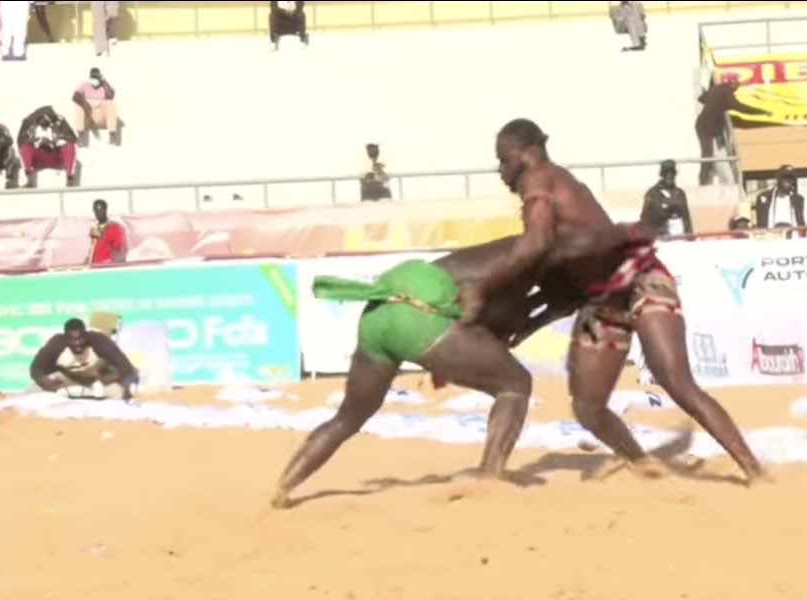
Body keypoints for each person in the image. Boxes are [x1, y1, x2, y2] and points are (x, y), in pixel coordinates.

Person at [270, 227, 668, 509]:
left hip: (383, 308)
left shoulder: (540, 267)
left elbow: (518, 325)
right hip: (424, 311)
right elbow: (513, 319)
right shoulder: (540, 254)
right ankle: (489, 475)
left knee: (347, 418)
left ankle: (283, 488)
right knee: (516, 385)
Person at [462, 118, 764, 484]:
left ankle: (754, 471)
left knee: (675, 380)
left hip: (639, 281)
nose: (501, 171)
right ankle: (645, 465)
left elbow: (537, 244)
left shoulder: (538, 177)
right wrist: (528, 324)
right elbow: (566, 286)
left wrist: (483, 287)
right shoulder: (551, 185)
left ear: (530, 153)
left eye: (505, 160)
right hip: (601, 299)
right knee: (588, 406)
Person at [30, 318, 137, 400]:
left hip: (99, 377)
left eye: (80, 339)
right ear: (65, 338)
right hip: (69, 377)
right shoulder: (56, 344)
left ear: (86, 335)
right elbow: (35, 368)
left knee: (118, 396)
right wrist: (44, 381)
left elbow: (126, 366)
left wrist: (112, 377)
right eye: (72, 340)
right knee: (34, 397)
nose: (77, 344)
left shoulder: (99, 341)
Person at [18, 106, 79, 187]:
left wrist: (56, 140)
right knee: (25, 148)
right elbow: (21, 141)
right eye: (41, 120)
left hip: (55, 154)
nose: (44, 122)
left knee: (70, 146)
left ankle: (70, 178)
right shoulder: (29, 123)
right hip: (38, 156)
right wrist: (36, 141)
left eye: (47, 120)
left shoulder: (59, 121)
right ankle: (29, 179)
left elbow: (72, 138)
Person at [639, 159, 693, 237]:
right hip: (661, 236)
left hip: (680, 236)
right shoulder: (652, 194)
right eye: (666, 173)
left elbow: (686, 217)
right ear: (662, 175)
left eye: (672, 173)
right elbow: (645, 217)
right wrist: (667, 207)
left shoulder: (680, 193)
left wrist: (690, 235)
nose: (669, 175)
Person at [72, 67, 120, 146]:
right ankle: (80, 135)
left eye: (96, 77)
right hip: (88, 115)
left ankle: (112, 134)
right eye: (92, 77)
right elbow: (74, 97)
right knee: (78, 106)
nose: (94, 80)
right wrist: (84, 104)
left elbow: (111, 96)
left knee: (111, 104)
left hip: (100, 116)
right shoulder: (85, 85)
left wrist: (104, 81)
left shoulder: (104, 86)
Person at [88, 199, 127, 264]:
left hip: (108, 266)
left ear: (105, 210)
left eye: (101, 209)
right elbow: (92, 250)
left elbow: (120, 249)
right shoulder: (95, 227)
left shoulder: (114, 227)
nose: (98, 212)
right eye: (96, 210)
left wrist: (101, 237)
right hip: (95, 266)